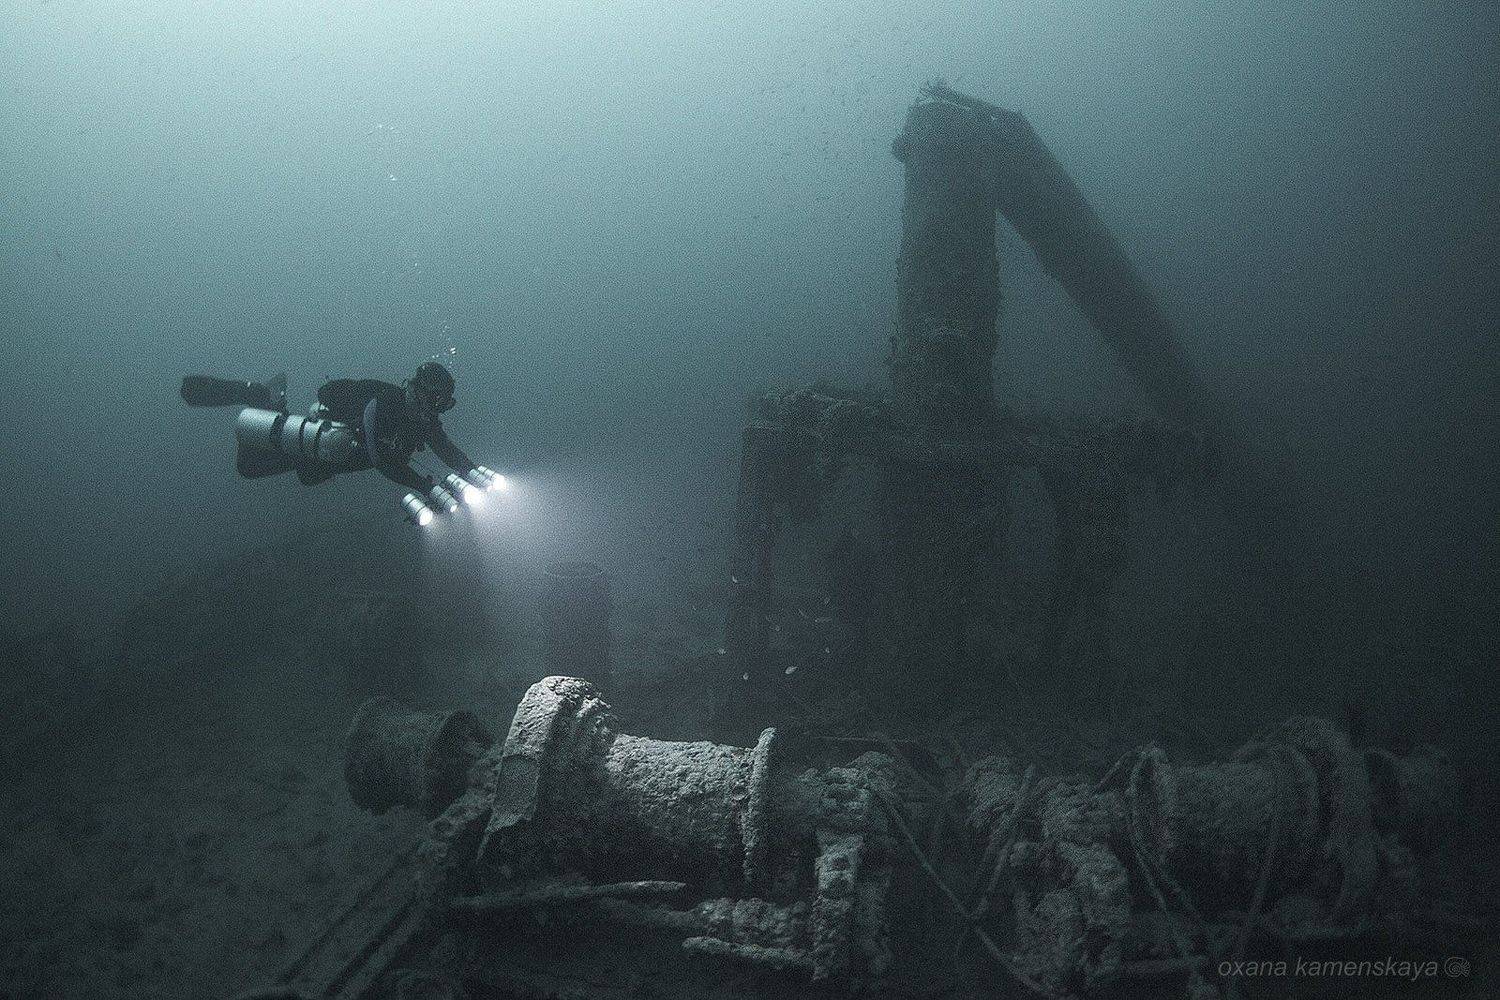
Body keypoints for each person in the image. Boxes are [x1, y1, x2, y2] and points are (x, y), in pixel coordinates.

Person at [181, 362, 480, 495]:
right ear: (422, 392)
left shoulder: (424, 423)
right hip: (323, 446)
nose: (437, 409)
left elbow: (447, 450)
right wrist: (423, 486)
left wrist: (474, 473)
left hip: (329, 461)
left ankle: (268, 403)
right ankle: (260, 396)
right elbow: (379, 459)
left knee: (248, 468)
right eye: (436, 400)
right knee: (249, 467)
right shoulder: (385, 403)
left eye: (443, 404)